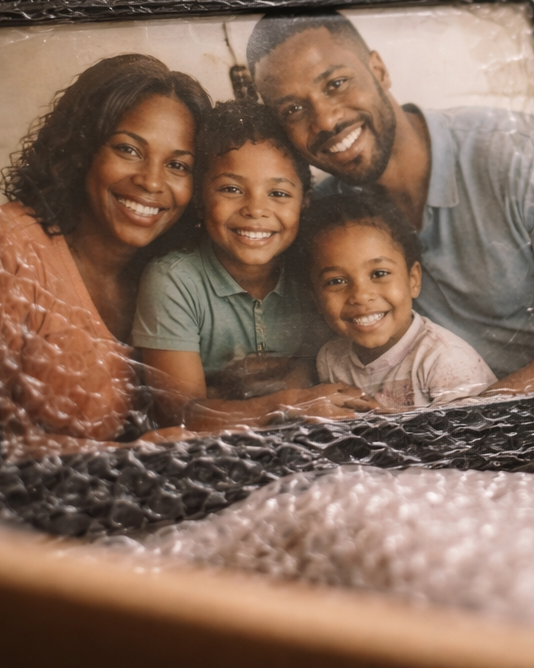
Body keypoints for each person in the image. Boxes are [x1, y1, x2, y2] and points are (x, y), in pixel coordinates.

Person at [243, 10, 534, 395]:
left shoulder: (514, 155)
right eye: (293, 109)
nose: (324, 121)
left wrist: (482, 417)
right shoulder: (328, 213)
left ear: (379, 69)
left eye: (336, 83)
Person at [0, 54, 210, 456]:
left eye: (177, 165)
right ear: (82, 148)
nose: (151, 181)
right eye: (128, 150)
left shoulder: (179, 275)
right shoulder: (1, 246)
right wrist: (125, 458)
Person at [131, 99, 379, 432]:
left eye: (278, 193)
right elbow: (179, 416)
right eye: (232, 189)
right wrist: (286, 404)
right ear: (200, 199)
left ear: (304, 203)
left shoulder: (314, 271)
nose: (255, 210)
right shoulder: (174, 280)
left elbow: (323, 366)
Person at [303, 190, 497, 409]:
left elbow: (471, 438)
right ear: (316, 299)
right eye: (336, 281)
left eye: (379, 274)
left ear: (413, 280)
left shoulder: (444, 360)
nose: (360, 295)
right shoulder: (331, 359)